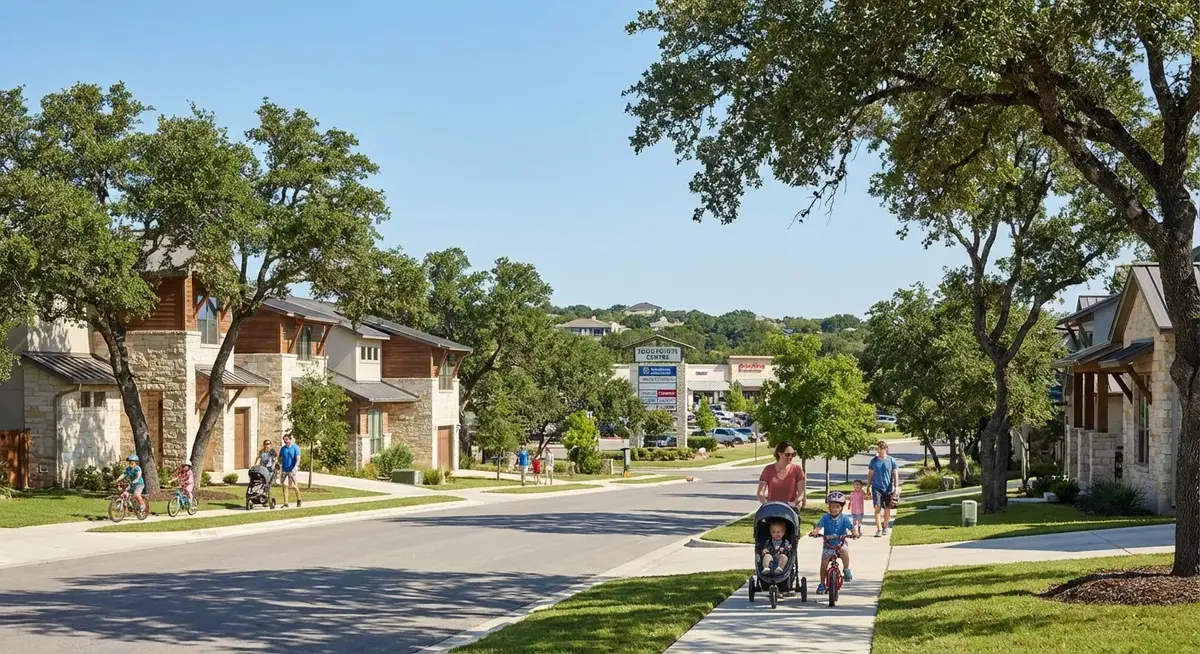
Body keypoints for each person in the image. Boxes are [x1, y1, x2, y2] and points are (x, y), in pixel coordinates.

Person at [809, 490, 858, 593]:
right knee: (824, 563)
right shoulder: (825, 518)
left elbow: (851, 527)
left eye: (837, 507)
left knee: (845, 552)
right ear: (828, 507)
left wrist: (854, 533)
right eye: (832, 506)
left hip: (840, 543)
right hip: (828, 545)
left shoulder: (844, 519)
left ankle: (846, 569)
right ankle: (822, 583)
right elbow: (818, 526)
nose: (834, 509)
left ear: (841, 508)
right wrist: (815, 531)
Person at [756, 441, 806, 509]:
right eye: (787, 454)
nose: (790, 457)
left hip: (791, 508)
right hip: (772, 508)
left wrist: (794, 503)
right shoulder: (768, 470)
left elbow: (801, 493)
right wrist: (766, 503)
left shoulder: (797, 470)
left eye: (793, 454)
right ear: (780, 454)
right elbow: (760, 492)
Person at [867, 440, 900, 537]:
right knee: (877, 508)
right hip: (876, 487)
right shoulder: (874, 461)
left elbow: (895, 474)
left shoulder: (891, 460)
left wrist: (896, 487)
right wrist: (868, 487)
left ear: (885, 449)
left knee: (887, 508)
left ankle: (885, 526)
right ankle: (879, 529)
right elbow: (870, 474)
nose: (879, 450)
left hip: (888, 488)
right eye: (878, 448)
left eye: (881, 448)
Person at [279, 433, 302, 508]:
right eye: (284, 440)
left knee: (293, 486)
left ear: (290, 439)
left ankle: (299, 499)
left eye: (287, 439)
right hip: (284, 470)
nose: (285, 441)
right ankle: (286, 503)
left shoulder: (295, 448)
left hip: (292, 470)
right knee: (284, 485)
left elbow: (298, 459)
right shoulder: (283, 449)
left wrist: (295, 468)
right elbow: (280, 458)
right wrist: (278, 465)